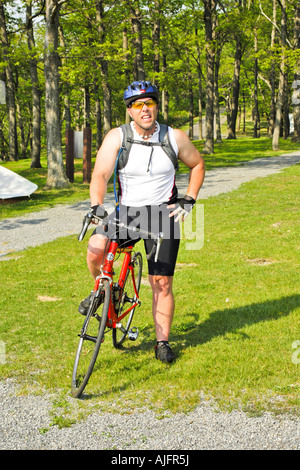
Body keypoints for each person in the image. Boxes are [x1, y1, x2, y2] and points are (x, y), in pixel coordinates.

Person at [79, 81, 205, 363]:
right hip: (127, 213)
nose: (145, 109)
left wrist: (189, 198)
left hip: (163, 216)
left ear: (156, 106)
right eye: (138, 105)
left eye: (149, 103)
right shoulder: (117, 137)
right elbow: (99, 174)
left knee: (161, 282)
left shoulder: (175, 137)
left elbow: (197, 164)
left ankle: (162, 343)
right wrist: (96, 205)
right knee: (96, 246)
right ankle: (103, 290)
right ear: (130, 111)